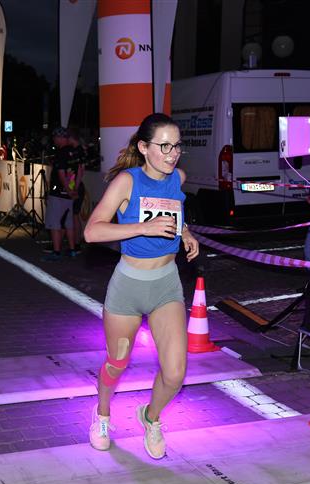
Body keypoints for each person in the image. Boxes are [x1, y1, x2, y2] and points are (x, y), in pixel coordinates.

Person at [83, 113, 199, 459]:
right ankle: (102, 414)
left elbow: (174, 213)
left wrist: (186, 232)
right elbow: (92, 231)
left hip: (166, 285)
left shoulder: (178, 178)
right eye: (164, 146)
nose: (172, 153)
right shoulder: (127, 182)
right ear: (144, 147)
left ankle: (150, 416)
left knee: (175, 373)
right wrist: (142, 228)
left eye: (177, 146)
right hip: (128, 286)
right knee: (117, 363)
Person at [43, 127, 81, 261]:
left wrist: (68, 190)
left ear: (60, 138)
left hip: (59, 192)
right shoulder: (74, 152)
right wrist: (74, 189)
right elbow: (80, 170)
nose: (54, 140)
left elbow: (61, 173)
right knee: (68, 223)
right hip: (70, 191)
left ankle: (56, 252)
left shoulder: (61, 153)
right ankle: (72, 250)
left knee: (55, 223)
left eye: (55, 138)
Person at [67, 130, 87, 251]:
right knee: (73, 215)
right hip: (74, 185)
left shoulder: (78, 151)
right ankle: (75, 242)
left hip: (76, 186)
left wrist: (75, 187)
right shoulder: (78, 150)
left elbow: (80, 170)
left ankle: (77, 243)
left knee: (74, 215)